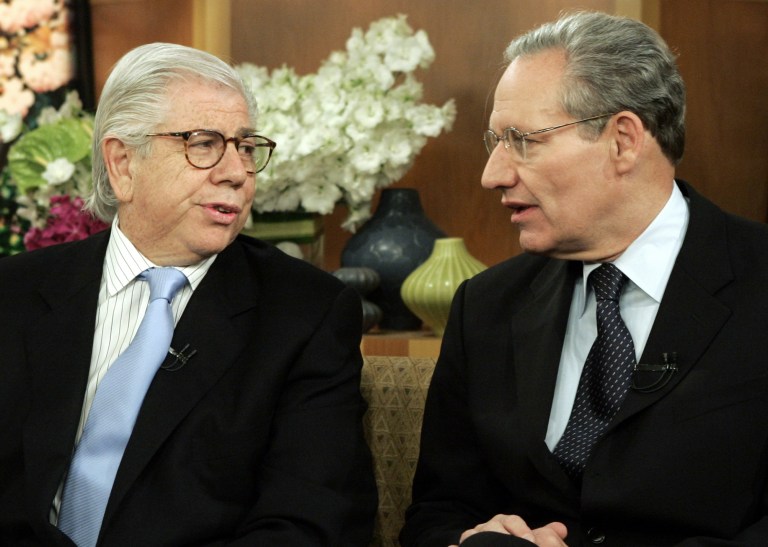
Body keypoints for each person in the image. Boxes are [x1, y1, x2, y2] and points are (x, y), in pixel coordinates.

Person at [400, 11, 768, 547]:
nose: (493, 174)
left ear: (623, 139)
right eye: (495, 142)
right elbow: (435, 515)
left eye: (522, 140)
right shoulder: (486, 305)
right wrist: (474, 539)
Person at [0, 42, 377, 546]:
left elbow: (311, 520)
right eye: (204, 143)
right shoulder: (14, 294)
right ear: (123, 164)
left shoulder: (305, 313)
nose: (237, 172)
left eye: (245, 146)